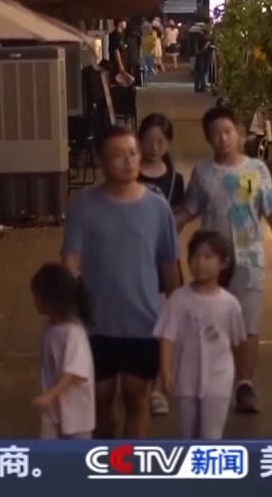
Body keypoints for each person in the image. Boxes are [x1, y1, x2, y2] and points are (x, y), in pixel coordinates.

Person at [62, 125, 181, 437]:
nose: (128, 161)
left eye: (132, 153)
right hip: (95, 323)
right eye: (118, 155)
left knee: (136, 395)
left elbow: (169, 265)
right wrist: (66, 312)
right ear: (101, 161)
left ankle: (130, 462)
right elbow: (70, 261)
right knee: (101, 398)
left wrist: (177, 314)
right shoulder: (83, 205)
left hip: (144, 322)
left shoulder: (157, 207)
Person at [177, 106, 272, 413]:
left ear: (238, 133)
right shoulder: (203, 173)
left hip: (249, 258)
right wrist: (164, 229)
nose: (223, 138)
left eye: (228, 131)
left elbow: (271, 211)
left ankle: (244, 384)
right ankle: (213, 379)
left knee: (248, 324)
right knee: (212, 322)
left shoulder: (256, 170)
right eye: (216, 134)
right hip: (211, 263)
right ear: (208, 138)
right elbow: (190, 210)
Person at [154, 230, 246, 439]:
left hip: (219, 380)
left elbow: (237, 344)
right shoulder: (178, 299)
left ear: (223, 263)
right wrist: (166, 372)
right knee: (189, 434)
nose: (199, 263)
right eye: (194, 257)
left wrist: (239, 379)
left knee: (211, 436)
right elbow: (167, 338)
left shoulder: (230, 304)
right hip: (186, 379)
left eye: (207, 257)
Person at [137, 112, 186, 416]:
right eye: (149, 141)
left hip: (164, 261)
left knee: (164, 325)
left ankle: (159, 387)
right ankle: (139, 383)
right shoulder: (129, 173)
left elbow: (178, 217)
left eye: (160, 142)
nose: (154, 147)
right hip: (133, 262)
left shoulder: (175, 180)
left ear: (168, 144)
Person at [30, 263, 95, 439]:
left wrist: (49, 395)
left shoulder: (74, 333)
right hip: (53, 410)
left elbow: (72, 373)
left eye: (37, 297)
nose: (34, 301)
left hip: (76, 414)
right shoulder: (49, 328)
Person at [108, 19, 131, 83]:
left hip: (123, 61)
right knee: (119, 81)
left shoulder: (121, 35)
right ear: (119, 23)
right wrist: (120, 64)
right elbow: (116, 50)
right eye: (124, 21)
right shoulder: (115, 35)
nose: (125, 23)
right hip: (116, 63)